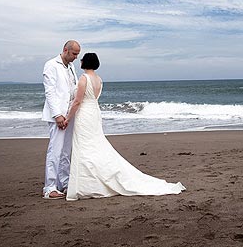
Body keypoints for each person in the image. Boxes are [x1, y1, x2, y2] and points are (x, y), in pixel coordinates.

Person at [65, 53, 185, 200]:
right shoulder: (99, 79)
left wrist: (67, 118)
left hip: (85, 114)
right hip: (94, 112)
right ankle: (91, 180)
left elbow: (77, 102)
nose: (80, 60)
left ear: (86, 62)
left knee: (85, 146)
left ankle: (87, 184)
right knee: (96, 144)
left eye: (82, 58)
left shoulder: (84, 78)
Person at [41, 40, 80, 199]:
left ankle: (64, 183)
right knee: (55, 151)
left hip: (69, 114)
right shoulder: (51, 65)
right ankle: (49, 188)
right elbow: (49, 92)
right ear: (65, 50)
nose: (76, 57)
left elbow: (72, 89)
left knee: (65, 151)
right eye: (74, 54)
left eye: (78, 54)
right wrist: (57, 115)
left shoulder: (71, 67)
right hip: (58, 115)